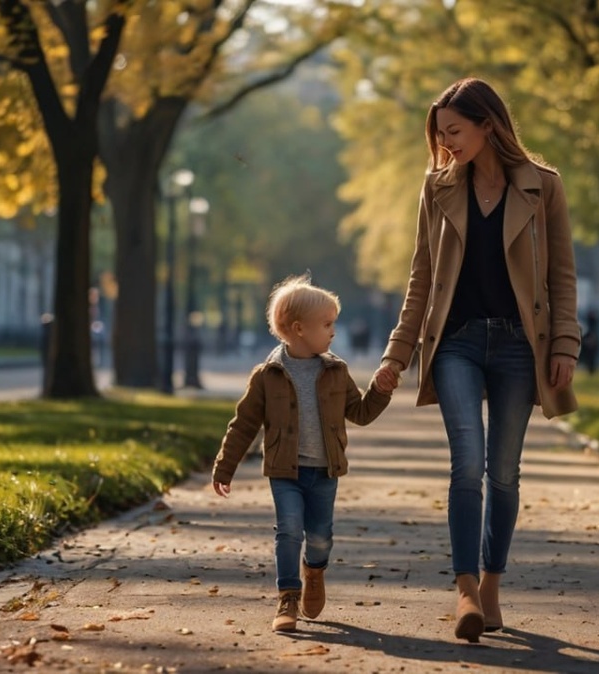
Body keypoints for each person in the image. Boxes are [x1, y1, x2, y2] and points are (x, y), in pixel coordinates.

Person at [374, 77, 580, 643]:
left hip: (520, 344)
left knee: (504, 472)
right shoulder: (438, 187)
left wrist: (565, 344)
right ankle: (464, 588)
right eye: (440, 134)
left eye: (455, 131)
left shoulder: (544, 187)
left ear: (488, 125)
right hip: (456, 343)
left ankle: (491, 583)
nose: (446, 144)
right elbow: (421, 278)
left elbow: (562, 275)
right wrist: (397, 354)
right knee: (466, 463)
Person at [211, 273, 393, 633]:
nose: (333, 332)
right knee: (289, 530)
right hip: (286, 472)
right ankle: (288, 597)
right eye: (327, 324)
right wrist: (224, 467)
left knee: (320, 535)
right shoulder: (267, 376)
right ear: (298, 329)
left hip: (325, 471)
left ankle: (314, 570)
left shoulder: (336, 372)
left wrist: (381, 390)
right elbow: (244, 424)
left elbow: (360, 413)